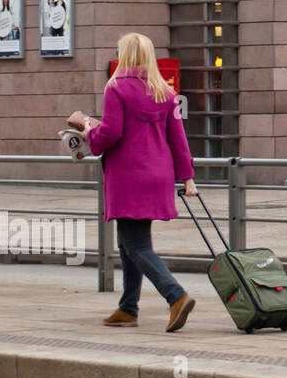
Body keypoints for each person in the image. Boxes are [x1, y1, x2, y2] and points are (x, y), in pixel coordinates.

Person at [68, 33, 198, 331]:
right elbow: (177, 138)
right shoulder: (164, 90)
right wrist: (187, 177)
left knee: (136, 244)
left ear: (124, 54)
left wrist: (88, 130)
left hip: (129, 175)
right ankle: (128, 308)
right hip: (158, 175)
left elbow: (111, 133)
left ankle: (176, 296)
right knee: (128, 242)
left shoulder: (116, 87)